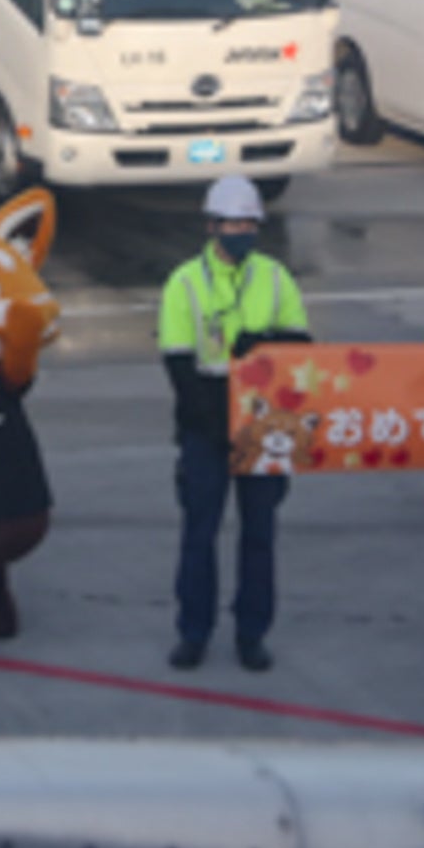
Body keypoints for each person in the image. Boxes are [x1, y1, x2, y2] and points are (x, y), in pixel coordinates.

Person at [157, 174, 309, 673]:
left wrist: (262, 345)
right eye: (232, 223)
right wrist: (220, 425)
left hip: (266, 425)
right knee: (199, 533)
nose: (241, 231)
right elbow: (179, 363)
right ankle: (193, 632)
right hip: (206, 422)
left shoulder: (274, 277)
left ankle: (251, 633)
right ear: (212, 226)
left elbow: (302, 348)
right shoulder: (184, 283)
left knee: (260, 534)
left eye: (249, 223)